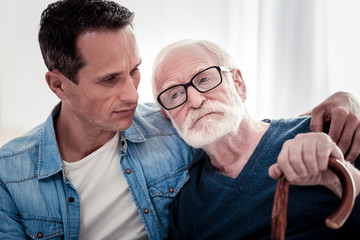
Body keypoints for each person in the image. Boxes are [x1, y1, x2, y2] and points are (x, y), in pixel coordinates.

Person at [0, 1, 359, 239]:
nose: (131, 95)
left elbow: (246, 131)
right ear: (59, 84)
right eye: (110, 79)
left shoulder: (324, 135)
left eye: (135, 72)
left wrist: (343, 110)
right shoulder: (9, 177)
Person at [151, 39, 360, 239]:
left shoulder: (328, 133)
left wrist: (341, 179)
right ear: (168, 116)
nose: (195, 101)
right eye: (175, 95)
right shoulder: (186, 207)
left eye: (205, 79)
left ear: (238, 84)